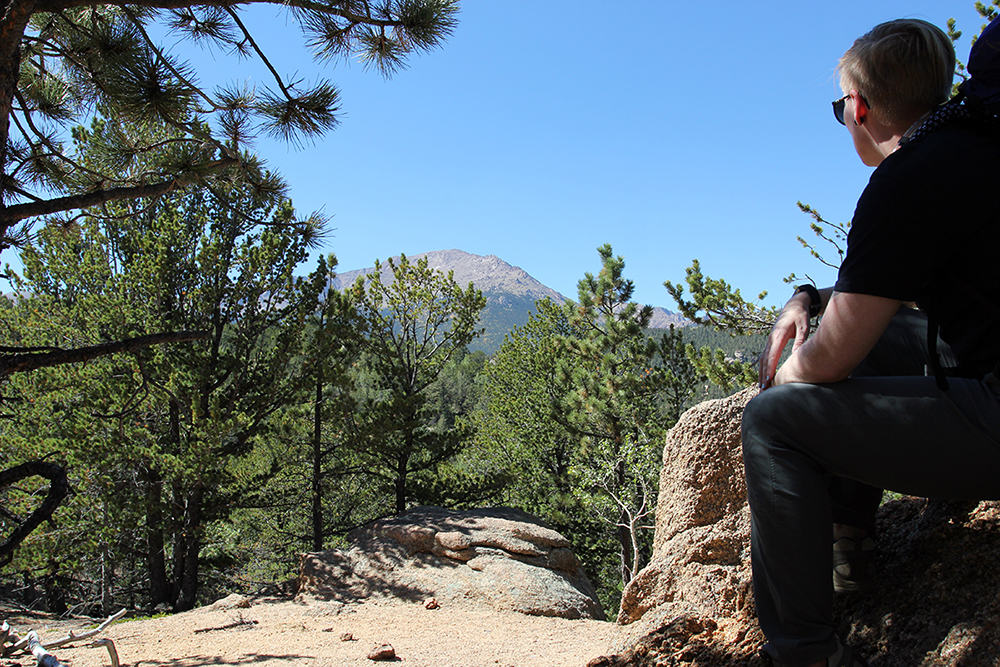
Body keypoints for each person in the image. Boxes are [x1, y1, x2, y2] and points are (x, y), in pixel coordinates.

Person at [741, 17, 1000, 667]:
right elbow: (876, 300)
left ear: (859, 107)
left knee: (774, 421)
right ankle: (846, 539)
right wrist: (813, 299)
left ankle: (804, 652)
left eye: (841, 107)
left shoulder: (911, 179)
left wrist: (783, 378)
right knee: (872, 347)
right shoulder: (974, 146)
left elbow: (833, 356)